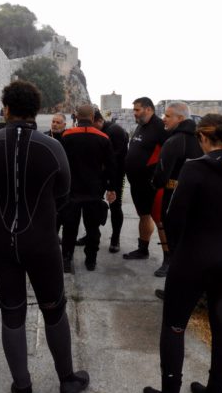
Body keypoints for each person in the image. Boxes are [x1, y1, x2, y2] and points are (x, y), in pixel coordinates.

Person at [0, 81, 89, 393]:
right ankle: (67, 379)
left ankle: (22, 386)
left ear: (6, 109)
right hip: (41, 242)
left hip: (1, 243)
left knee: (12, 313)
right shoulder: (52, 146)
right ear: (37, 111)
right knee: (54, 309)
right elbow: (64, 193)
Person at [143, 114, 222, 393]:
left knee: (174, 326)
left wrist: (178, 252)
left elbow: (173, 219)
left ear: (202, 137)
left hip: (194, 256)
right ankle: (214, 392)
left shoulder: (195, 168)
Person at [150, 101, 203, 278]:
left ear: (180, 118)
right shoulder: (202, 138)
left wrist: (156, 184)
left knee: (175, 242)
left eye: (167, 116)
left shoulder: (174, 141)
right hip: (198, 198)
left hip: (174, 197)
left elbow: (161, 174)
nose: (163, 119)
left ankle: (175, 282)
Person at [61, 105, 116, 272]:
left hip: (72, 190)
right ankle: (91, 260)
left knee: (69, 227)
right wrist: (111, 188)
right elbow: (111, 166)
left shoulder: (67, 136)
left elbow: (61, 164)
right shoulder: (103, 138)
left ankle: (66, 258)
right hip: (94, 190)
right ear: (92, 118)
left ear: (77, 117)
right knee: (93, 228)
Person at [123, 97, 168, 262]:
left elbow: (169, 155)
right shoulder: (141, 125)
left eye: (137, 110)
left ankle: (168, 259)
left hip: (152, 184)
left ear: (148, 109)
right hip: (137, 183)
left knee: (160, 220)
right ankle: (143, 249)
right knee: (143, 215)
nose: (134, 113)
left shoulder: (161, 127)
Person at [93, 110, 129, 253]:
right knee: (93, 203)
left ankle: (115, 238)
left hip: (116, 175)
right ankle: (91, 234)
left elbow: (115, 158)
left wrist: (111, 186)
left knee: (115, 206)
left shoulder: (115, 131)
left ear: (99, 121)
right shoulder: (99, 130)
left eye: (92, 125)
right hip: (99, 174)